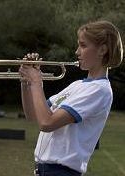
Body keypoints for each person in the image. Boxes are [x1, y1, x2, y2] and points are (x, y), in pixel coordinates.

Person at [19, 20, 123, 176]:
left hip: (60, 172)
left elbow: (47, 123)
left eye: (83, 45)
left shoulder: (99, 90)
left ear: (102, 50)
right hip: (44, 170)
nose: (77, 52)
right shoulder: (77, 85)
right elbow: (33, 115)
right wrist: (26, 83)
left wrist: (36, 82)